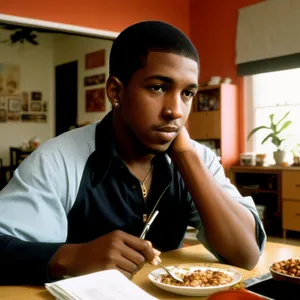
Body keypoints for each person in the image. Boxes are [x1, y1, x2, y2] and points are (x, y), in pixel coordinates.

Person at [0, 20, 266, 285]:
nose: (175, 110)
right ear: (116, 91)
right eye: (158, 88)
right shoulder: (56, 161)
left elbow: (245, 255)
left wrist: (185, 157)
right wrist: (73, 256)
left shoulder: (197, 158)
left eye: (187, 93)